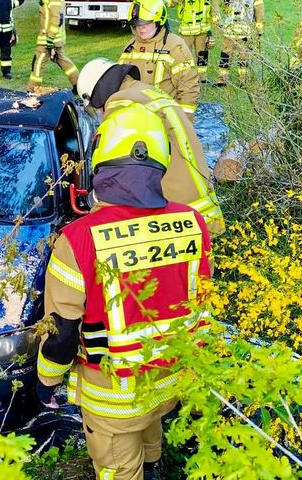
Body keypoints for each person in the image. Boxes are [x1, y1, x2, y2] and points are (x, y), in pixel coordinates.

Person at [36, 101, 212, 480]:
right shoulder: (193, 222)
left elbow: (62, 332)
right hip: (170, 379)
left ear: (102, 164)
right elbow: (198, 301)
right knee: (152, 434)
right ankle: (154, 468)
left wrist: (46, 381)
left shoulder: (78, 240)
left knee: (119, 465)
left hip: (114, 395)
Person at [76, 58, 224, 235]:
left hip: (176, 214)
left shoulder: (125, 107)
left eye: (97, 107)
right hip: (200, 204)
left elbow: (125, 174)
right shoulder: (145, 93)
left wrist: (98, 201)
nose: (101, 112)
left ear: (97, 93)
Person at [117, 0, 198, 120]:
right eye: (137, 24)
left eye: (146, 23)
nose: (140, 28)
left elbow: (188, 90)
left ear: (159, 21)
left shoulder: (175, 47)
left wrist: (182, 125)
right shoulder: (130, 47)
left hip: (164, 122)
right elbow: (119, 81)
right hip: (133, 120)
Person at [164, 0, 221, 84]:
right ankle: (185, 77)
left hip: (203, 31)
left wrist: (218, 25)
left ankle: (202, 77)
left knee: (203, 54)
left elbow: (214, 10)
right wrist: (165, 3)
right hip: (187, 31)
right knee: (184, 55)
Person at [28, 0, 79, 91]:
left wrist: (50, 38)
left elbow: (57, 19)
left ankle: (32, 89)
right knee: (62, 59)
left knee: (39, 62)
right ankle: (78, 84)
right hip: (50, 36)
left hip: (49, 37)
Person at [218, 0, 264, 86]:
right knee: (225, 56)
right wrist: (227, 0)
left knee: (243, 59)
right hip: (230, 33)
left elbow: (260, 16)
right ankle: (221, 80)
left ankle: (244, 81)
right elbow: (222, 8)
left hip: (245, 35)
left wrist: (258, 34)